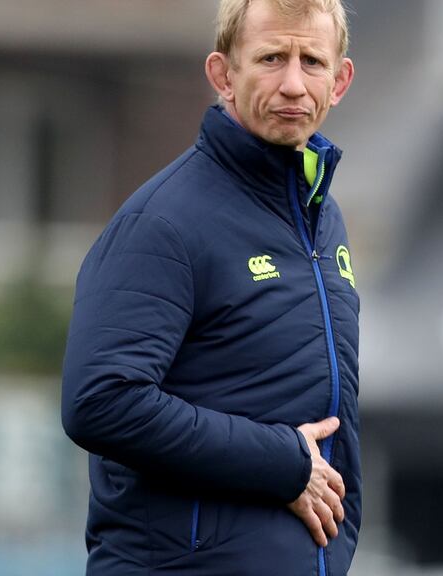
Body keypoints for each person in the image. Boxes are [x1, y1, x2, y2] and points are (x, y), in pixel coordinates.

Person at [60, 0, 360, 574]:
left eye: (312, 61)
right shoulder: (163, 222)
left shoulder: (325, 219)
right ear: (223, 74)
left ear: (340, 80)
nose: (293, 83)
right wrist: (282, 462)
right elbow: (99, 401)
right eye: (272, 57)